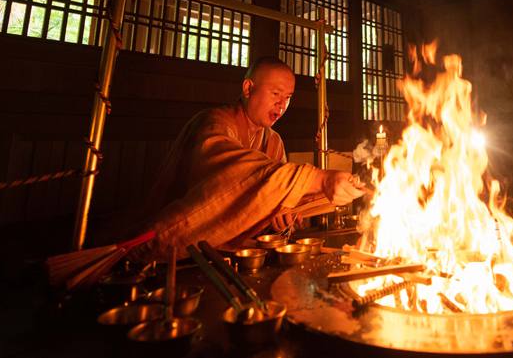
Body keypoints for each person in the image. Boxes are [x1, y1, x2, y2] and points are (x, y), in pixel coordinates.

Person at [130, 56, 365, 260]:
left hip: (237, 250)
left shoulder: (273, 141)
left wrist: (285, 211)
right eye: (276, 94)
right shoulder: (213, 124)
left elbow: (275, 192)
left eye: (288, 97)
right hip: (174, 246)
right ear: (248, 88)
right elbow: (236, 177)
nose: (282, 104)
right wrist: (319, 179)